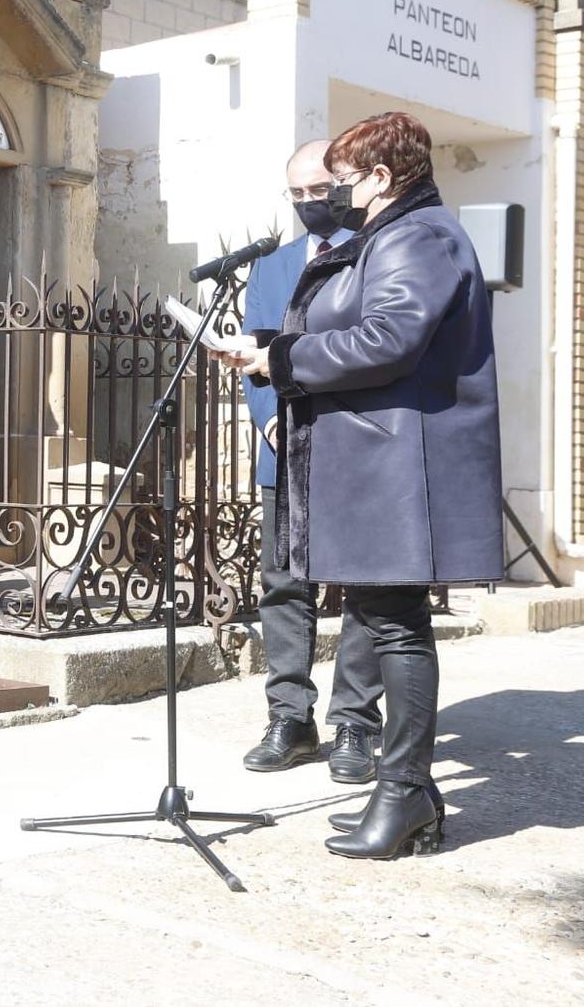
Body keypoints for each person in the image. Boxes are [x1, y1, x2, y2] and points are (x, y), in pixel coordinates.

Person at [224, 112, 501, 859]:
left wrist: (282, 360)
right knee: (389, 617)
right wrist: (274, 351)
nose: (333, 194)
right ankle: (408, 795)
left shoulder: (421, 235)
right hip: (382, 459)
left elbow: (389, 337)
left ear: (382, 177)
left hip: (402, 465)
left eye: (342, 180)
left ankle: (406, 790)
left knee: (398, 625)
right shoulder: (394, 236)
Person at [238, 140, 383, 781]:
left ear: (345, 184)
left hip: (355, 446)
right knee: (283, 584)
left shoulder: (377, 249)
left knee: (365, 588)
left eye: (317, 191)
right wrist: (267, 418)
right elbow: (255, 354)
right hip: (284, 446)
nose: (307, 204)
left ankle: (355, 725)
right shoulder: (271, 268)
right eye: (295, 194)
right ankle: (290, 718)